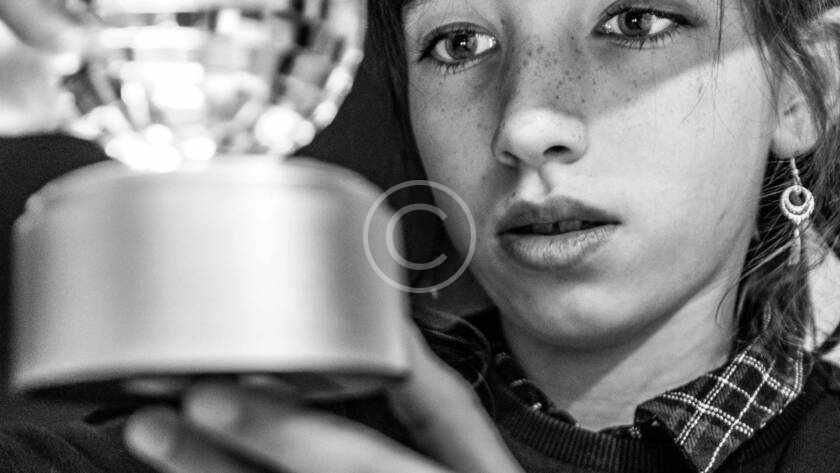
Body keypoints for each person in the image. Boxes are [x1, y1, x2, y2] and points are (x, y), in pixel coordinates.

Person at [1, 0, 840, 472]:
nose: (526, 124)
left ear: (805, 90)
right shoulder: (208, 446)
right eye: (459, 42)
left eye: (634, 21)